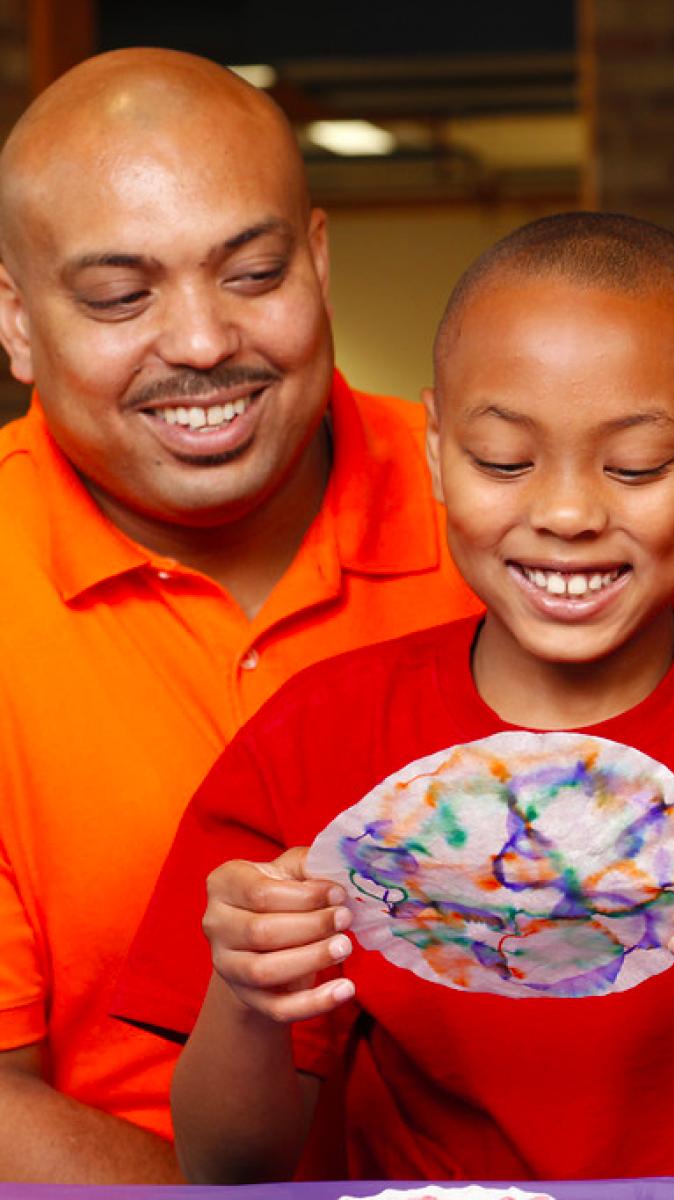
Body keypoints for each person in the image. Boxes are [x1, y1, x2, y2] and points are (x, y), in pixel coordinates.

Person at [112, 212, 674, 1183]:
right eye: (504, 462)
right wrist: (250, 994)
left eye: (636, 467)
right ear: (433, 451)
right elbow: (228, 1168)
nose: (565, 514)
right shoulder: (316, 732)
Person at [0, 49, 499, 1183]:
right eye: (121, 296)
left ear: (318, 261)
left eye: (253, 272)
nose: (200, 342)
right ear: (16, 321)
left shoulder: (525, 519)